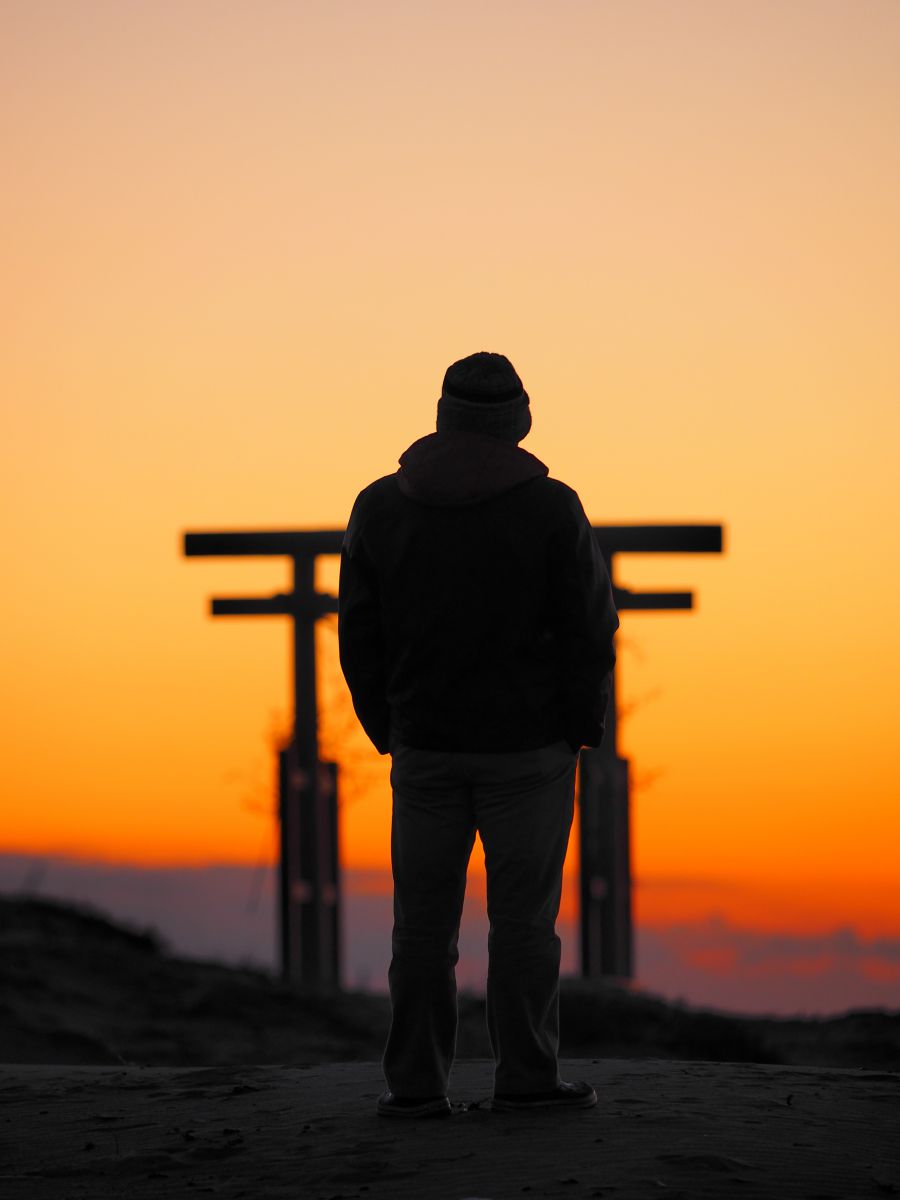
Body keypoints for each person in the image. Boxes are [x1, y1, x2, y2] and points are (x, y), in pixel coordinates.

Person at [338, 351, 619, 1118]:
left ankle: (416, 1086)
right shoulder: (553, 508)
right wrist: (578, 727)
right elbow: (592, 630)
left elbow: (358, 631)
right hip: (528, 752)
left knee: (421, 928)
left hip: (425, 746)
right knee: (524, 924)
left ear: (442, 416)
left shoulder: (380, 506)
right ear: (519, 422)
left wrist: (386, 727)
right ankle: (527, 1079)